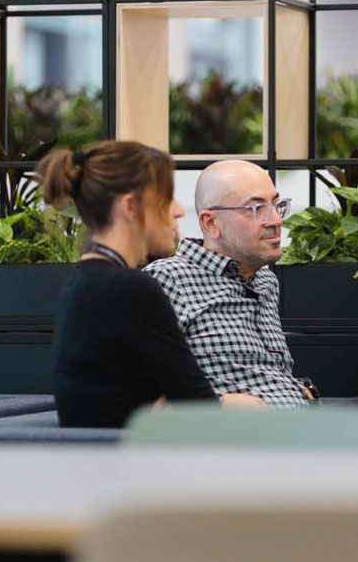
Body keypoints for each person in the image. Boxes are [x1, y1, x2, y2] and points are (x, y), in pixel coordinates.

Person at [38, 141, 263, 427]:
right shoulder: (130, 289)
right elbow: (200, 407)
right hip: (129, 452)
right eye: (167, 198)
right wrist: (241, 403)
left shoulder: (85, 281)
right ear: (131, 207)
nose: (178, 211)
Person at [144, 159, 314, 408]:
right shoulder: (168, 279)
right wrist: (222, 404)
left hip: (301, 424)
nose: (276, 220)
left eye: (276, 205)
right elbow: (140, 386)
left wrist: (301, 391)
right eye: (257, 209)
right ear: (211, 223)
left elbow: (266, 374)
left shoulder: (265, 280)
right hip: (237, 431)